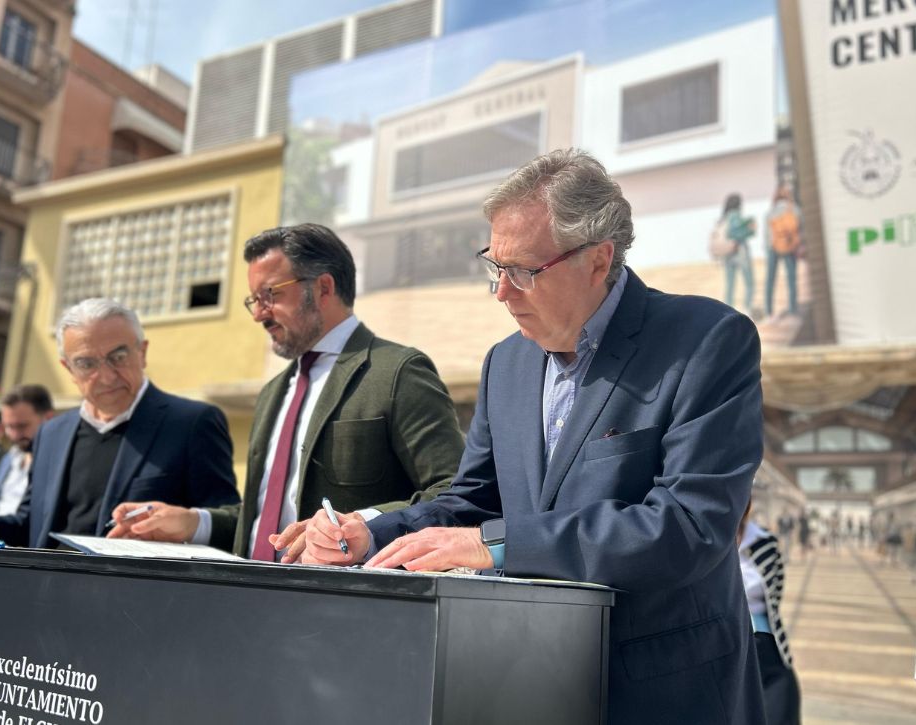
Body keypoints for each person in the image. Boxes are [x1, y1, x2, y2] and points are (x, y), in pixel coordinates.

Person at [302, 149, 766, 723]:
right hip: (525, 682)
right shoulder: (506, 363)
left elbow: (689, 526)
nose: (502, 292)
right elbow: (473, 502)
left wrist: (497, 545)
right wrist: (372, 533)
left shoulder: (705, 340)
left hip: (665, 692)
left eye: (523, 271)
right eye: (494, 267)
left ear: (598, 259)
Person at [109, 224, 464, 561]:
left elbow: (452, 492)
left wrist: (362, 524)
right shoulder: (273, 393)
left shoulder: (397, 372)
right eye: (254, 300)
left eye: (270, 295)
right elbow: (269, 524)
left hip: (341, 597)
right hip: (250, 592)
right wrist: (193, 522)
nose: (258, 314)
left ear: (323, 288)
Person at [0, 298, 240, 548]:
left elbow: (228, 527)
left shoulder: (192, 424)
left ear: (142, 352)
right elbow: (28, 527)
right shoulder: (52, 433)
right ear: (68, 369)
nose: (106, 375)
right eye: (86, 363)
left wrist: (186, 524)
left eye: (118, 356)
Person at [739, 502, 801, 725]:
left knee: (781, 706)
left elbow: (774, 595)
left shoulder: (765, 542)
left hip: (766, 643)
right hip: (725, 646)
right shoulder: (704, 541)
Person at [0, 384, 55, 517]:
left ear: (48, 418)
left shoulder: (58, 465)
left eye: (22, 426)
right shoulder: (8, 459)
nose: (15, 435)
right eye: (9, 426)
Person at [764, 185, 801, 320]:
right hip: (789, 246)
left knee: (770, 279)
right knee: (791, 279)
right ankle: (792, 310)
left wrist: (768, 247)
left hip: (773, 246)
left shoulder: (771, 211)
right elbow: (799, 228)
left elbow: (767, 233)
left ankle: (769, 312)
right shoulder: (794, 209)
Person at [719, 192, 757, 315]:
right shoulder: (735, 216)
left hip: (728, 254)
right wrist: (750, 230)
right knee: (749, 282)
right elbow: (736, 233)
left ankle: (727, 311)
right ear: (738, 204)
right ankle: (747, 309)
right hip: (740, 252)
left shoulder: (724, 218)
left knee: (730, 284)